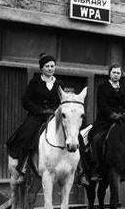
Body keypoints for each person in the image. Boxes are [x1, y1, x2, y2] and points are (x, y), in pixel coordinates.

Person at [6, 53, 85, 185]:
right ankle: (23, 168)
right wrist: (41, 110)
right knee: (27, 134)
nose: (50, 68)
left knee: (77, 136)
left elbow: (63, 101)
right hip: (37, 116)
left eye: (52, 66)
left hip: (55, 117)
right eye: (47, 66)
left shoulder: (59, 83)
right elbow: (26, 101)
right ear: (41, 68)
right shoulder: (35, 82)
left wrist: (58, 111)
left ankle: (81, 172)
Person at [86, 64, 125, 181]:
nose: (116, 75)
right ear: (110, 74)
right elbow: (102, 105)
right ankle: (95, 168)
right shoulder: (103, 87)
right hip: (105, 120)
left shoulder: (124, 89)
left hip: (122, 121)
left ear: (121, 75)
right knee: (95, 139)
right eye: (114, 73)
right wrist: (112, 115)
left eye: (118, 73)